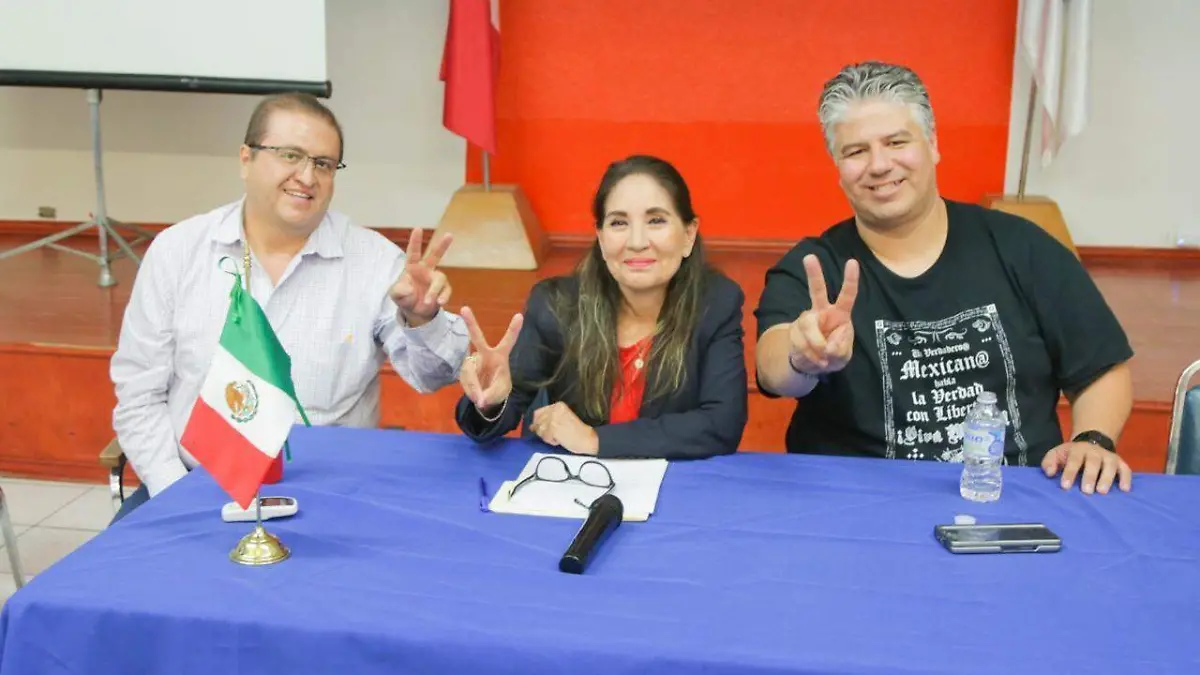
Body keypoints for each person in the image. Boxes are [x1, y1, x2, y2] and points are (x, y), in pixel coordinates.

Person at [754, 61, 1135, 495]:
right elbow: (772, 364)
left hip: (1013, 495)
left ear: (933, 144)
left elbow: (1100, 366)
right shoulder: (815, 267)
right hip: (858, 502)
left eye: (896, 142)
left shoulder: (1021, 247)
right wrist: (802, 356)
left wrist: (1093, 440)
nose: (879, 165)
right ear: (837, 167)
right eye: (855, 151)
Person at [110, 92, 469, 520]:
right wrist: (177, 494)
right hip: (192, 484)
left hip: (331, 497)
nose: (307, 176)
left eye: (324, 164)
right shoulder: (178, 251)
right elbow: (138, 395)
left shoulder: (375, 262)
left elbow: (434, 375)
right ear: (246, 159)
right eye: (290, 156)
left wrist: (422, 318)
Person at [454, 155, 748, 459]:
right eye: (619, 223)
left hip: (672, 482)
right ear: (601, 238)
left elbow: (721, 424)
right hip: (571, 482)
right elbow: (507, 401)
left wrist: (595, 440)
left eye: (656, 220)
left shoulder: (717, 303)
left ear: (688, 235)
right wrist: (489, 401)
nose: (637, 242)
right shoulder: (558, 305)